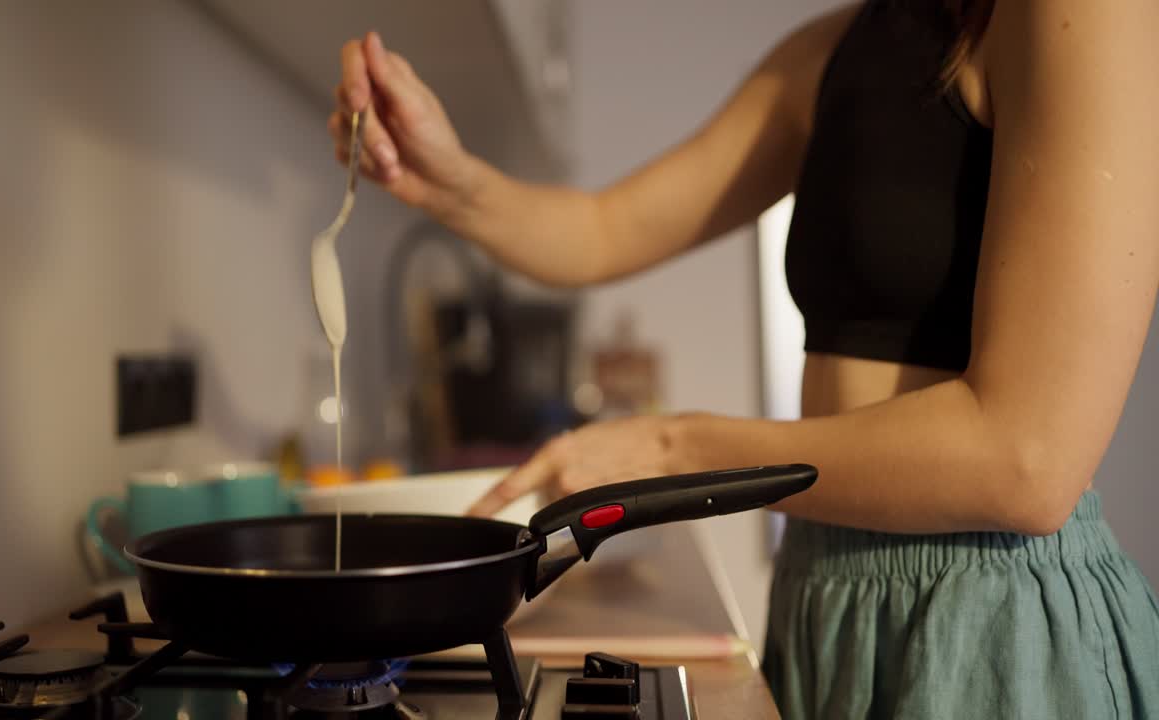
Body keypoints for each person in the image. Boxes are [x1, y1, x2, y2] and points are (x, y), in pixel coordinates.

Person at [330, 1, 1159, 717]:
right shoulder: (838, 48)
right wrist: (448, 182)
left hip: (994, 621)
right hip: (823, 594)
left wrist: (671, 448)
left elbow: (1027, 459)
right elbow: (606, 230)